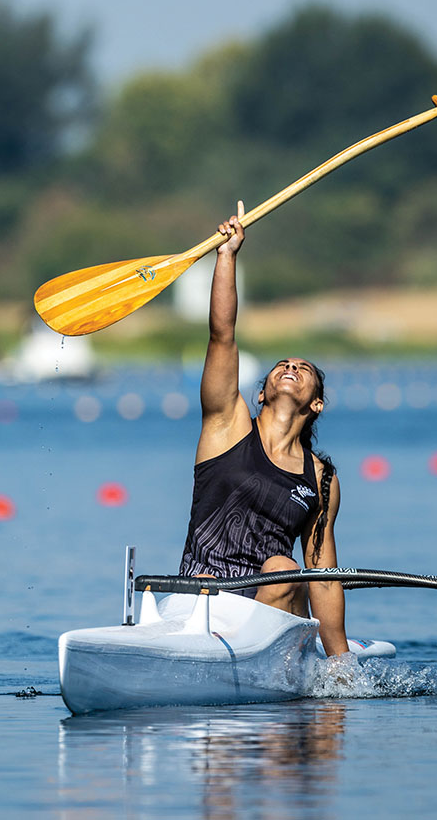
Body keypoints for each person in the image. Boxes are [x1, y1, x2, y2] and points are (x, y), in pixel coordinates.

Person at [179, 201, 350, 657]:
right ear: (260, 394)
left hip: (274, 610)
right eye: (282, 364)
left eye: (303, 367)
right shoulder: (226, 426)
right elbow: (223, 336)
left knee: (281, 565)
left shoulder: (321, 481)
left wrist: (341, 664)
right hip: (203, 602)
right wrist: (227, 255)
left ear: (316, 403)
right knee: (211, 585)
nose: (291, 365)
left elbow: (324, 578)